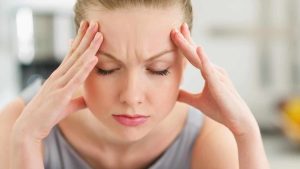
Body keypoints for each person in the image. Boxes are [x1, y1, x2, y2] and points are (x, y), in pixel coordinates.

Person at [0, 0, 270, 168]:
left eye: (158, 70)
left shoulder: (207, 139)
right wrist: (26, 141)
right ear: (75, 57)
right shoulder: (18, 125)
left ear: (184, 64)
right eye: (107, 69)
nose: (131, 96)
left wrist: (246, 133)